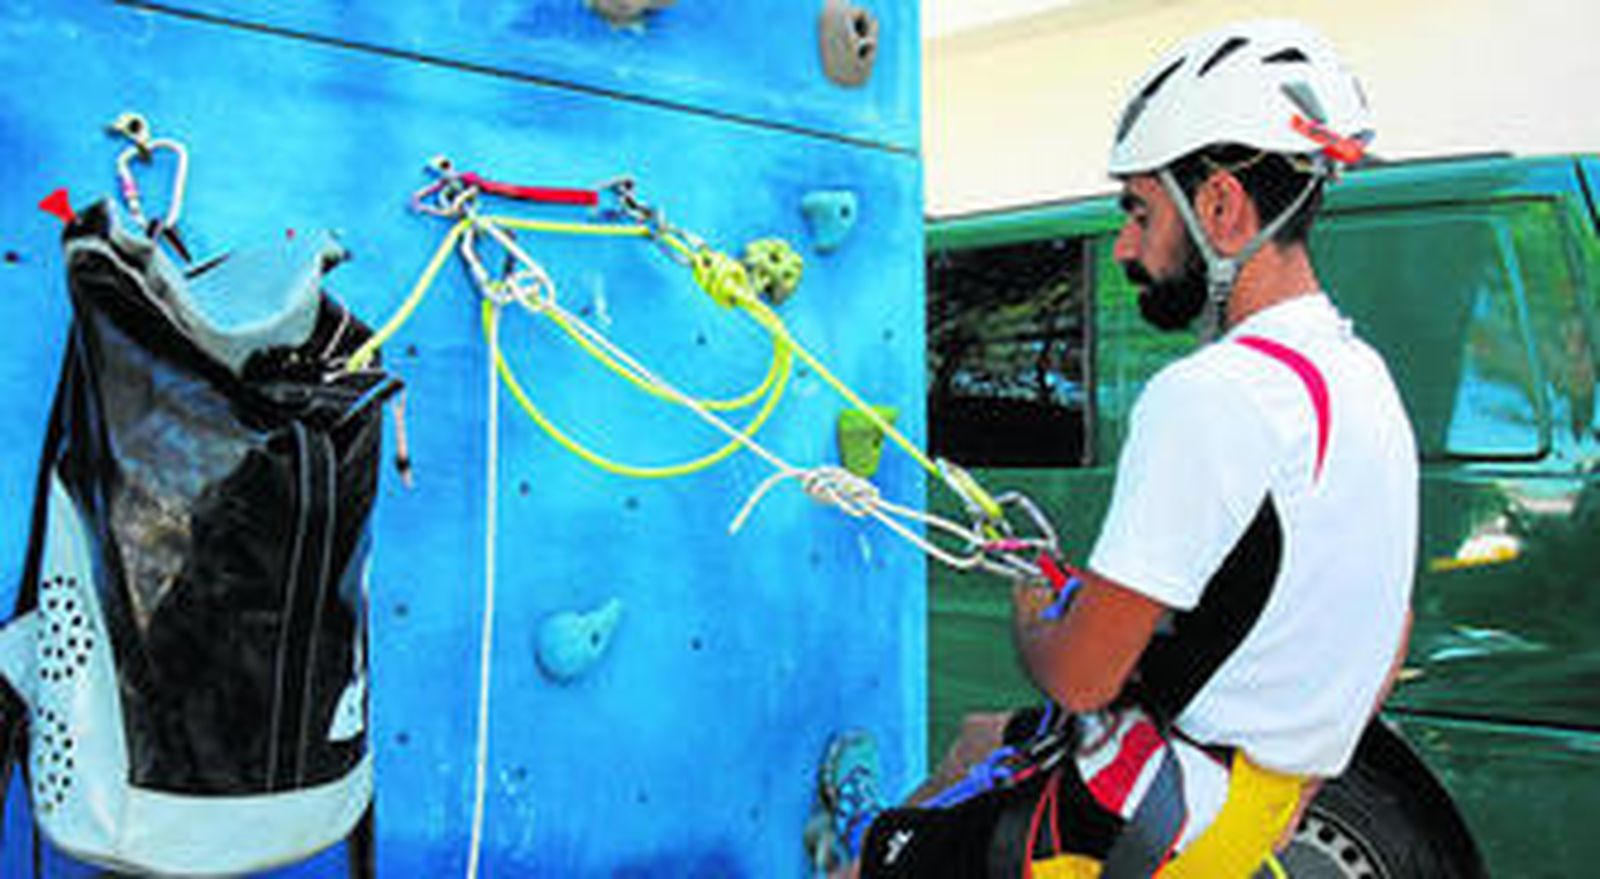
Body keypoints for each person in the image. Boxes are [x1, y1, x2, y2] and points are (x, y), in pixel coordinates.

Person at [805, 19, 1417, 878]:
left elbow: (1083, 680)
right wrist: (1294, 782)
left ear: (1221, 206)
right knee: (979, 738)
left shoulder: (1211, 394)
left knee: (872, 861)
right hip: (1246, 807)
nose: (1126, 245)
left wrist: (1033, 612)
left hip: (1147, 815)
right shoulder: (1363, 379)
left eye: (1138, 208)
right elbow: (1390, 626)